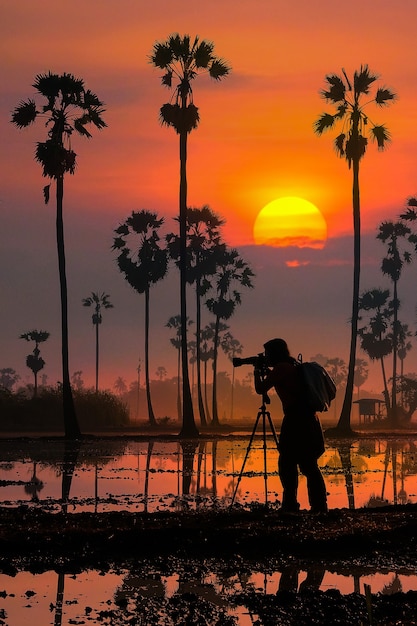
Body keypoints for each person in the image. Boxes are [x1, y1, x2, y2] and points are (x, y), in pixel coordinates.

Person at [254, 338, 328, 514]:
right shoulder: (291, 366)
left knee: (288, 462)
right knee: (308, 464)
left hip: (296, 420)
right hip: (308, 419)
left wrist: (257, 371)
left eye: (267, 354)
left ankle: (290, 505)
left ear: (274, 354)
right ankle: (319, 505)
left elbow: (260, 388)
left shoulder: (281, 369)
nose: (266, 357)